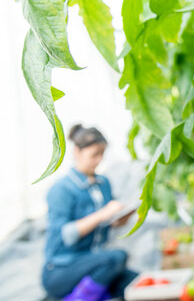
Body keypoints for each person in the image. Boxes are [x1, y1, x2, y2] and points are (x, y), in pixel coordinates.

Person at [42, 125, 138, 301]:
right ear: (77, 152)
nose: (99, 160)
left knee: (135, 282)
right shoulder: (62, 189)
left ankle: (90, 294)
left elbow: (105, 223)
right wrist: (103, 213)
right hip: (61, 269)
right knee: (117, 257)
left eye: (102, 154)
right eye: (94, 155)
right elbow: (67, 235)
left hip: (95, 264)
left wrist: (118, 219)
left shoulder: (103, 184)